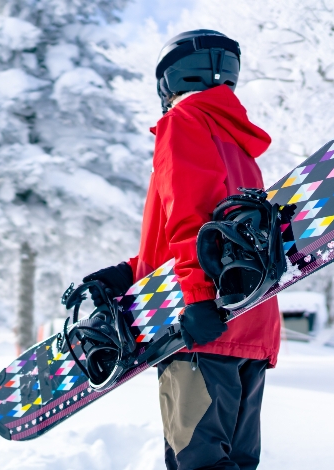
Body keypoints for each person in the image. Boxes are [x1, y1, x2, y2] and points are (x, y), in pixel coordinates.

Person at [83, 30, 280, 470]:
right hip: (251, 324)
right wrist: (130, 272)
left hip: (199, 327)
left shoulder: (182, 121)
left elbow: (191, 219)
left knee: (199, 463)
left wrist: (194, 299)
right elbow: (221, 231)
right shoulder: (239, 144)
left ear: (168, 82)